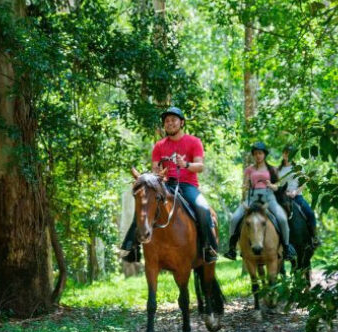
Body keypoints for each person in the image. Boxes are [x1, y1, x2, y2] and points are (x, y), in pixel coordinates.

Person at [121, 106, 218, 263]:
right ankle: (132, 246)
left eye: (173, 120)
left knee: (202, 208)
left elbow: (200, 167)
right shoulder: (159, 146)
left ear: (182, 123)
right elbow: (155, 169)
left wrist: (185, 164)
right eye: (167, 121)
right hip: (165, 185)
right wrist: (158, 176)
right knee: (144, 205)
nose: (170, 123)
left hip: (188, 185)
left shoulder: (194, 142)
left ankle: (209, 247)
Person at [223, 142, 297, 261]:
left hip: (269, 197)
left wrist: (271, 185)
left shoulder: (272, 169)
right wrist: (245, 187)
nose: (258, 156)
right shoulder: (249, 170)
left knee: (282, 218)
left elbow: (278, 186)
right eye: (256, 153)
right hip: (251, 198)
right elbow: (245, 184)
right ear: (253, 155)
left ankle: (287, 248)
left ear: (264, 154)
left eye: (260, 153)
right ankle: (232, 249)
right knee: (234, 218)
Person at [278, 145, 319, 247]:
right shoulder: (278, 170)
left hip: (297, 197)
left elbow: (304, 183)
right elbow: (277, 184)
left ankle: (314, 237)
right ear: (283, 154)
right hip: (283, 197)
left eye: (290, 153)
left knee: (310, 213)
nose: (287, 155)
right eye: (286, 152)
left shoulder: (298, 168)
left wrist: (295, 192)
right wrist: (284, 193)